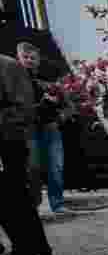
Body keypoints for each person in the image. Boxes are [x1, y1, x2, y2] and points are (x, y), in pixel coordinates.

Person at [0, 50, 53, 255]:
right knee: (3, 198)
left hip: (8, 138)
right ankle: (21, 248)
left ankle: (38, 249)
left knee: (16, 194)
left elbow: (24, 109)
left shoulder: (8, 65)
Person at [17, 42, 67, 213]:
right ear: (19, 59)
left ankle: (58, 205)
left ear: (38, 61)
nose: (29, 60)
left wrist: (59, 115)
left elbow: (67, 105)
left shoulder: (47, 83)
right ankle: (34, 206)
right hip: (29, 129)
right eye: (25, 57)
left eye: (33, 58)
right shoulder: (13, 83)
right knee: (33, 168)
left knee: (56, 166)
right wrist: (42, 105)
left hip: (50, 128)